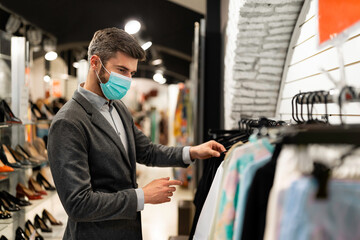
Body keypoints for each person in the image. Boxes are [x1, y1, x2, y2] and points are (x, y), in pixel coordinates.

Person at [47, 27, 226, 240]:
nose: (127, 80)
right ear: (95, 63)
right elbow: (78, 204)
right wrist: (141, 196)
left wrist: (192, 152)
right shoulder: (68, 122)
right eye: (121, 70)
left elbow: (147, 151)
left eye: (131, 73)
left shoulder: (118, 108)